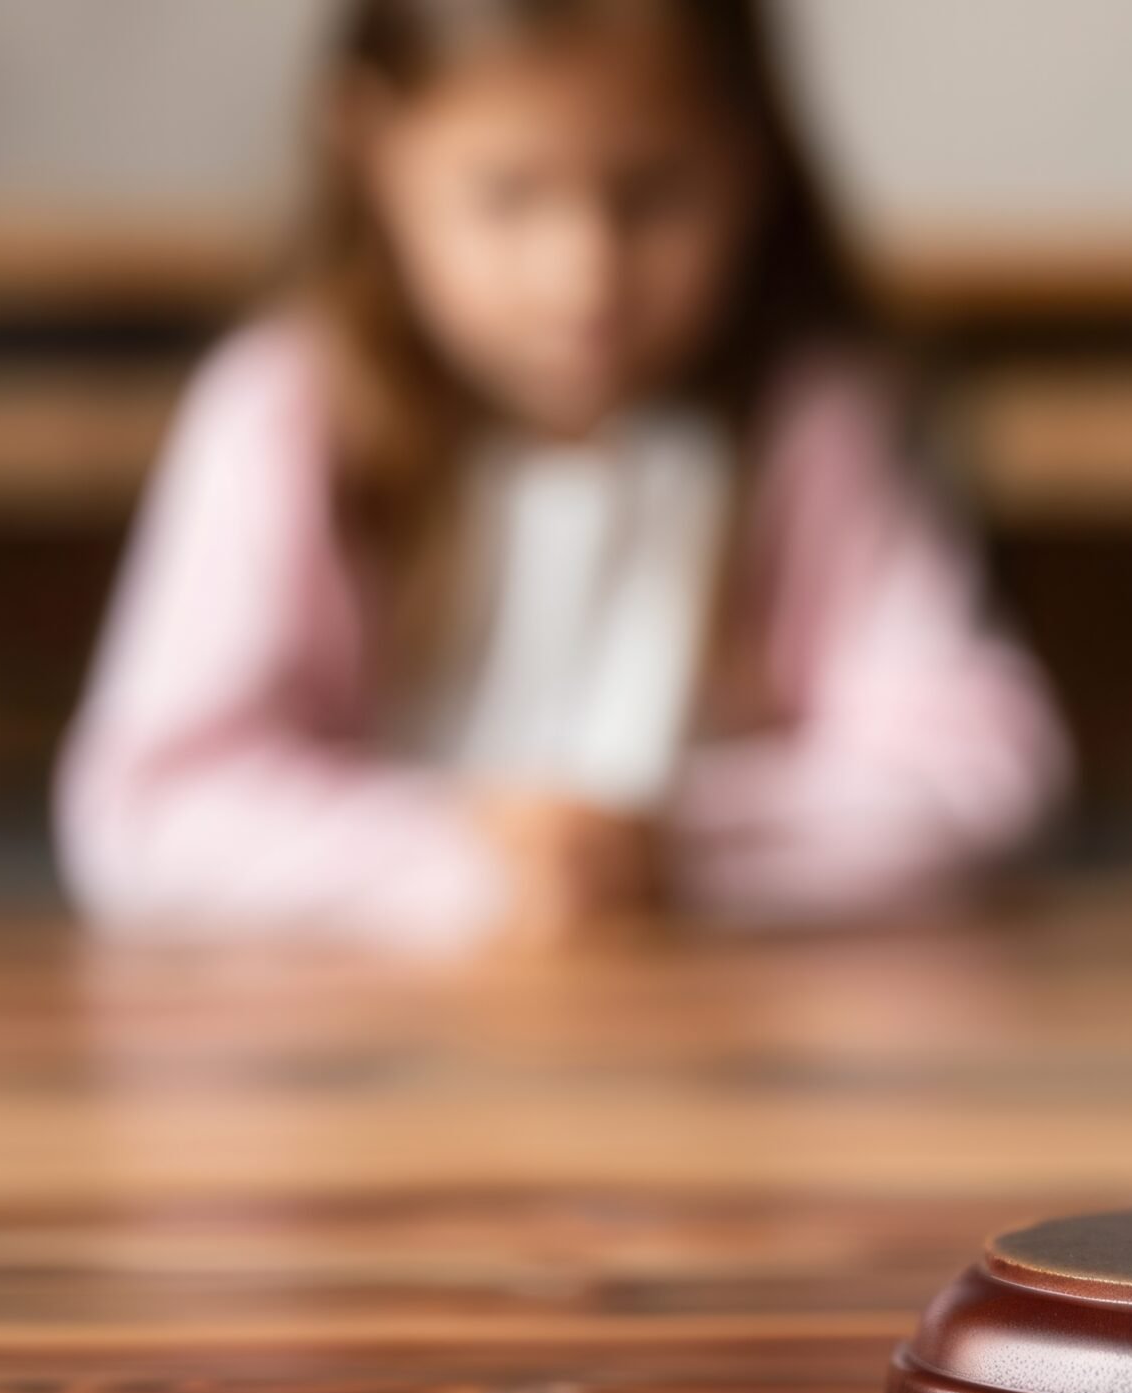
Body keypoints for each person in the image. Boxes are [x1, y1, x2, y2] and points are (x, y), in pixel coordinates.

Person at [61, 0, 1068, 950]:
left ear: (747, 155)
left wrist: (673, 848)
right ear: (369, 146)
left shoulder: (814, 420)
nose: (584, 273)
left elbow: (983, 773)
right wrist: (470, 865)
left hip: (749, 1064)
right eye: (509, 196)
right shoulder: (285, 415)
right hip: (358, 1074)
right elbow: (142, 811)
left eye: (651, 194)